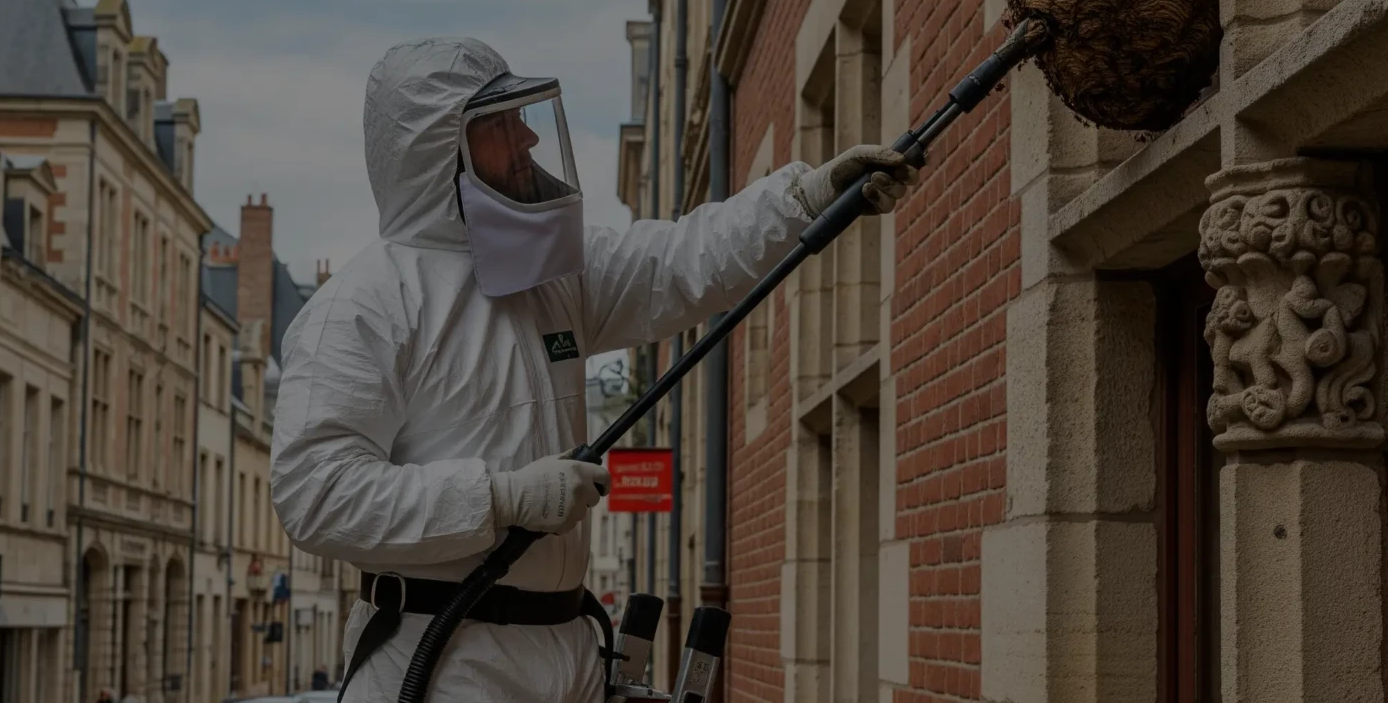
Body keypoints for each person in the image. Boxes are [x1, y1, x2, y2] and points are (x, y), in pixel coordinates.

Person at [270, 37, 919, 702]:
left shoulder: (552, 276)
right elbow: (314, 493)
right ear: (441, 149)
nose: (527, 138)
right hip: (440, 661)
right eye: (499, 124)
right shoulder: (362, 308)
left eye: (523, 116)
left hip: (569, 653)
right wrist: (499, 498)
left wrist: (803, 200)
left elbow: (680, 260)